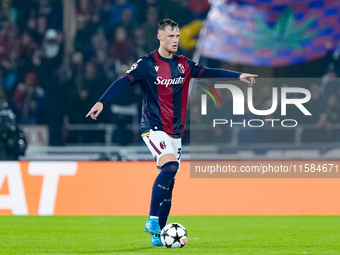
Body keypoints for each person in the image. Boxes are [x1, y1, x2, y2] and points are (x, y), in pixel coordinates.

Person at [86, 19, 257, 247]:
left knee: (170, 183)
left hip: (175, 132)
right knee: (170, 167)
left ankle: (158, 236)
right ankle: (152, 220)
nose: (175, 40)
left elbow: (208, 72)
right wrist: (102, 102)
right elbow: (123, 81)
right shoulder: (147, 64)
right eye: (170, 36)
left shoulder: (184, 64)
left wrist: (238, 76)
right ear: (159, 37)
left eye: (177, 36)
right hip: (154, 127)